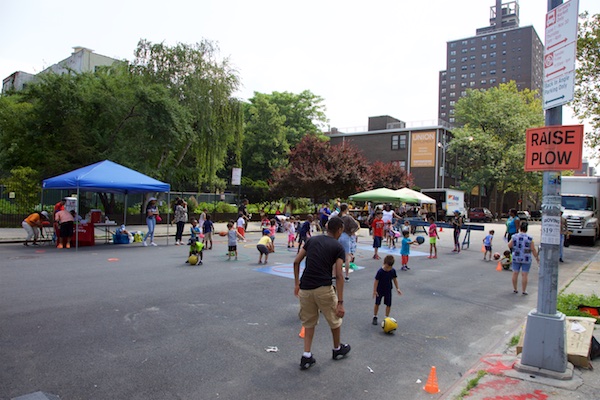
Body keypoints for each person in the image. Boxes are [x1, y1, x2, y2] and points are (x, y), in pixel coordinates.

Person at [293, 216, 350, 370]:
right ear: (339, 230)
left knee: (309, 322)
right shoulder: (338, 248)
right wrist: (340, 302)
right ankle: (337, 348)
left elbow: (296, 261)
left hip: (305, 288)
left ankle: (306, 355)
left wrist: (297, 283)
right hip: (323, 288)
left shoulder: (312, 240)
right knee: (334, 320)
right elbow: (338, 275)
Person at [508, 222, 539, 295]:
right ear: (526, 229)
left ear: (520, 228)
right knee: (525, 274)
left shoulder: (514, 236)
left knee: (515, 273)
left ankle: (515, 289)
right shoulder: (530, 238)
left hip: (516, 257)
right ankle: (524, 290)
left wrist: (515, 249)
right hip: (526, 257)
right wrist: (537, 258)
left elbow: (509, 245)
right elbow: (533, 249)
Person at [372, 255, 402, 326]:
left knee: (388, 304)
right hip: (380, 289)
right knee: (377, 303)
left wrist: (397, 288)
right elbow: (376, 280)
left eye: (390, 267)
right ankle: (375, 316)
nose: (388, 269)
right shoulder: (380, 271)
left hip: (388, 289)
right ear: (384, 264)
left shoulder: (392, 271)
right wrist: (374, 290)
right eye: (387, 267)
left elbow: (394, 279)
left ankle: (386, 317)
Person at [338, 203, 360, 282]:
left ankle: (335, 274)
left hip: (338, 235)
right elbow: (356, 226)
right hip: (346, 236)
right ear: (347, 209)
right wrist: (351, 232)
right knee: (347, 257)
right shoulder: (348, 218)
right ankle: (347, 275)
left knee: (336, 256)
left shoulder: (337, 217)